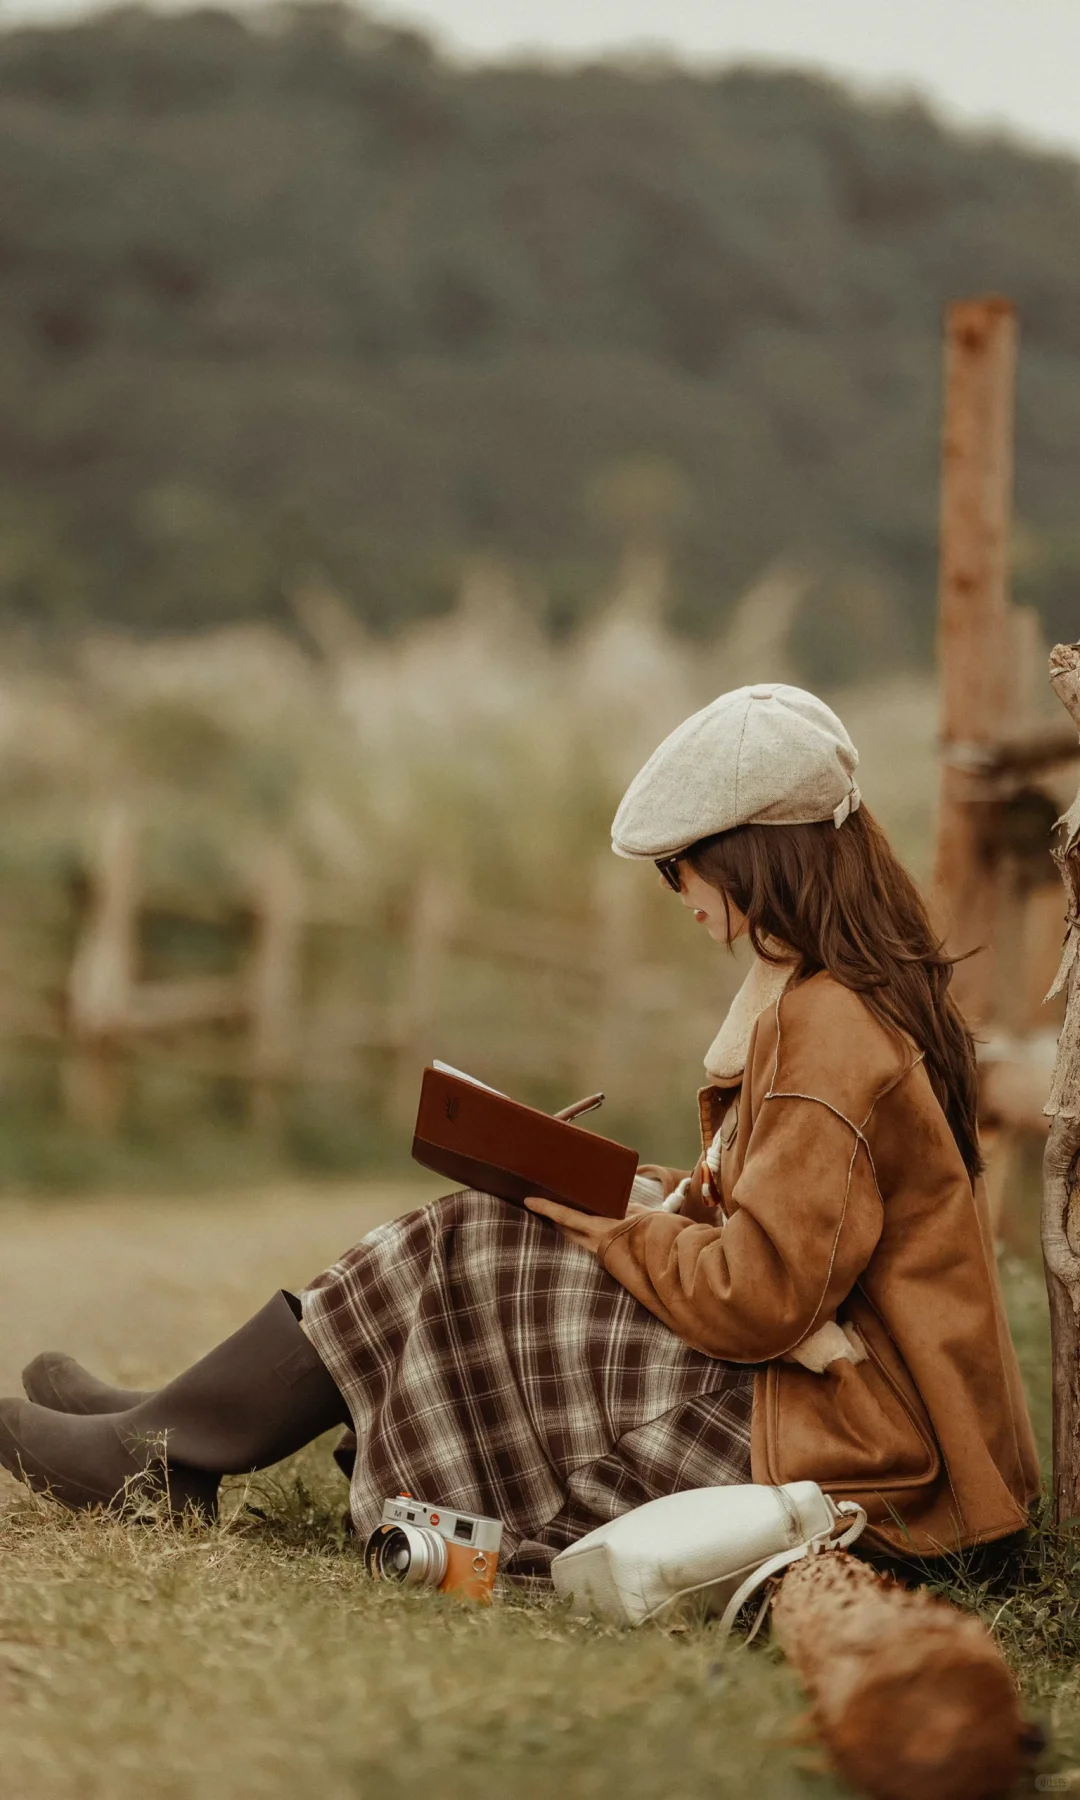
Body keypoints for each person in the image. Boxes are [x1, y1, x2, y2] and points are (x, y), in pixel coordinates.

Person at [0, 684, 1038, 1573]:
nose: (674, 892)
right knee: (490, 1224)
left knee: (482, 1238)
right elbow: (789, 1235)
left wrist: (616, 1228)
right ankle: (174, 1433)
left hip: (867, 1457)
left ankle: (170, 1445)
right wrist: (641, 1196)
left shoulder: (829, 1027)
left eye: (679, 866)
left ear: (752, 857)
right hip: (848, 1413)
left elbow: (760, 1300)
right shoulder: (834, 995)